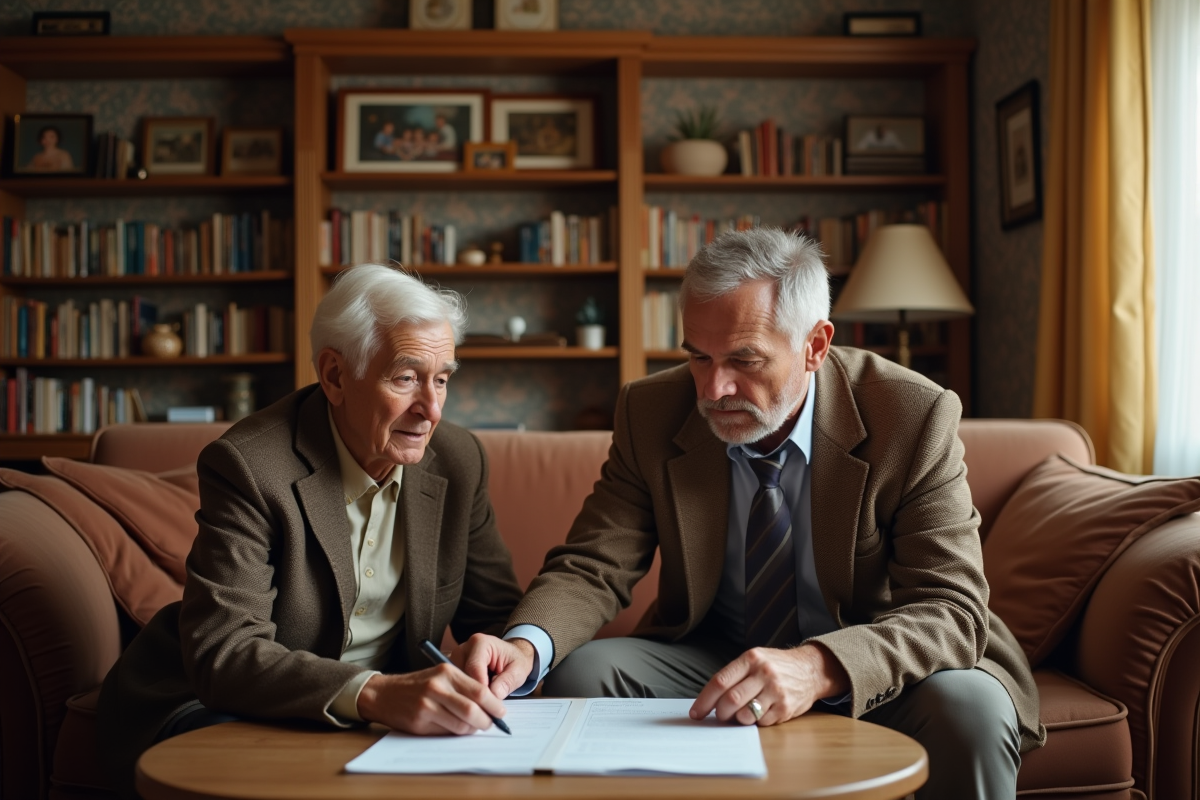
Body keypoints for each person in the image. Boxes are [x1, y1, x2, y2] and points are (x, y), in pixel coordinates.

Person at [463, 228, 1045, 799]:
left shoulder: (911, 415)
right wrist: (526, 647)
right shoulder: (651, 410)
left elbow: (950, 607)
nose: (714, 389)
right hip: (718, 652)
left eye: (745, 359)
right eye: (698, 356)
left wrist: (820, 666)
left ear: (815, 345)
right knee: (582, 674)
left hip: (873, 653)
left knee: (970, 706)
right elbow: (595, 563)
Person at [97, 264, 524, 799]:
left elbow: (496, 615)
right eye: (406, 377)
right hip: (221, 702)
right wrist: (376, 693)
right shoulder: (249, 465)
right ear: (335, 376)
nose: (432, 409)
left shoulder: (457, 461)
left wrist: (501, 652)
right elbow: (227, 652)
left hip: (381, 720)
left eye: (442, 379)